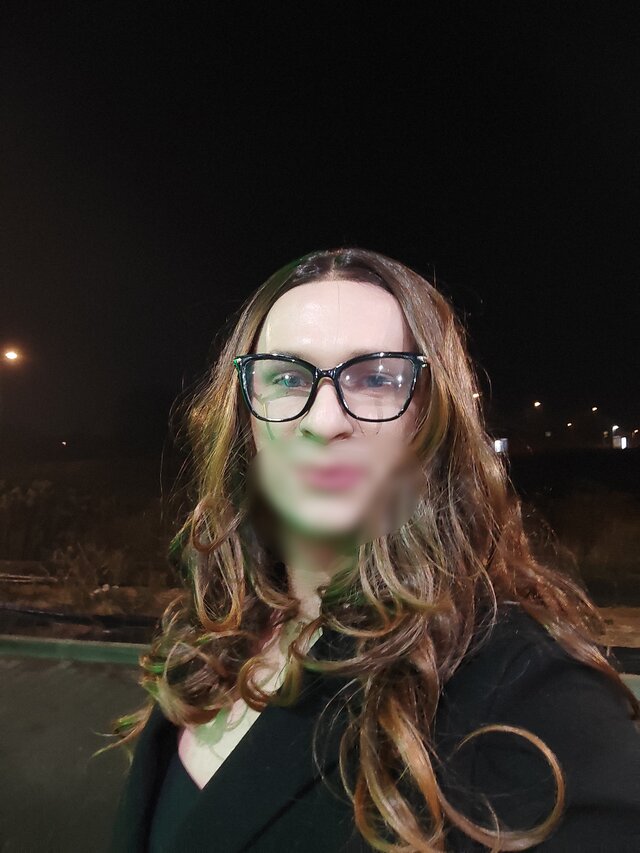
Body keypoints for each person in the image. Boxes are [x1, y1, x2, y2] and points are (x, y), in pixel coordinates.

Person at [102, 247, 640, 852]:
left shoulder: (522, 688)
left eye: (377, 378)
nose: (324, 420)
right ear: (244, 417)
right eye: (287, 377)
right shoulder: (211, 639)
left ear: (432, 419)